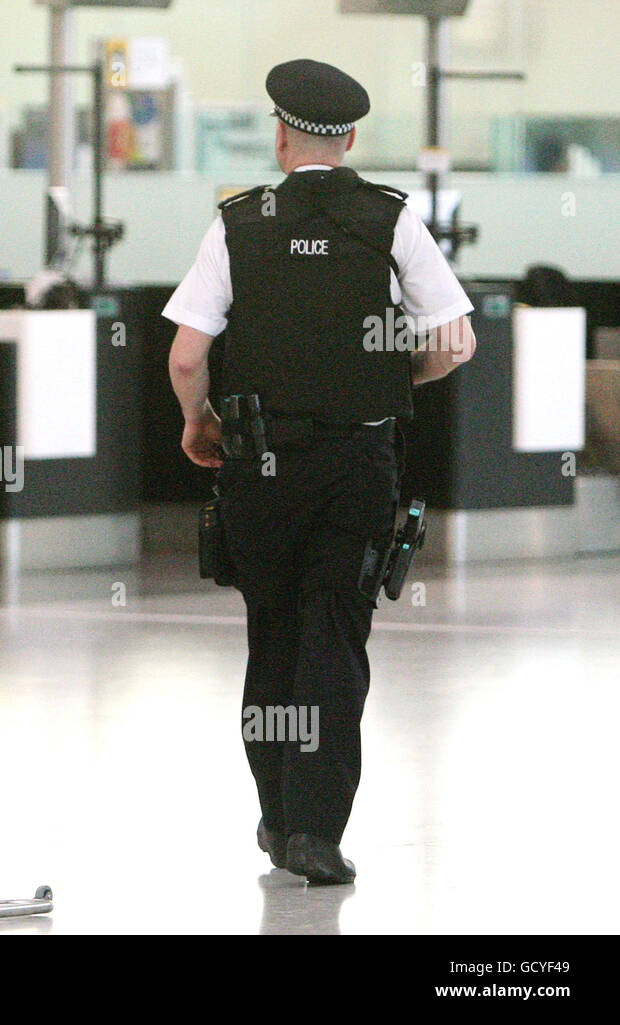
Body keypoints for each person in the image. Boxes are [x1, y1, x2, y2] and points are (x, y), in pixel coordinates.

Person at [164, 59, 476, 885]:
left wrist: (199, 422)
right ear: (350, 140)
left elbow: (188, 352)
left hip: (258, 466)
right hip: (355, 464)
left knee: (271, 634)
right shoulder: (391, 220)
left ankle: (275, 815)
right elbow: (455, 342)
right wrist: (383, 376)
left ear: (280, 134)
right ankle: (315, 833)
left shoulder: (237, 224)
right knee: (335, 637)